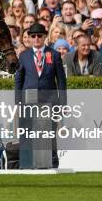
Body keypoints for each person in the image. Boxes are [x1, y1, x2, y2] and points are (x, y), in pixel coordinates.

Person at [14, 22, 66, 168]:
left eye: (39, 35)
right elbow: (18, 80)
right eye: (33, 36)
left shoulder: (54, 55)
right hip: (27, 100)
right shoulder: (23, 56)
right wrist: (18, 103)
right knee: (26, 132)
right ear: (29, 38)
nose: (36, 38)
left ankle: (52, 164)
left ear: (44, 37)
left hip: (49, 100)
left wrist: (62, 104)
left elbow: (61, 81)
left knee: (49, 134)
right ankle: (26, 164)